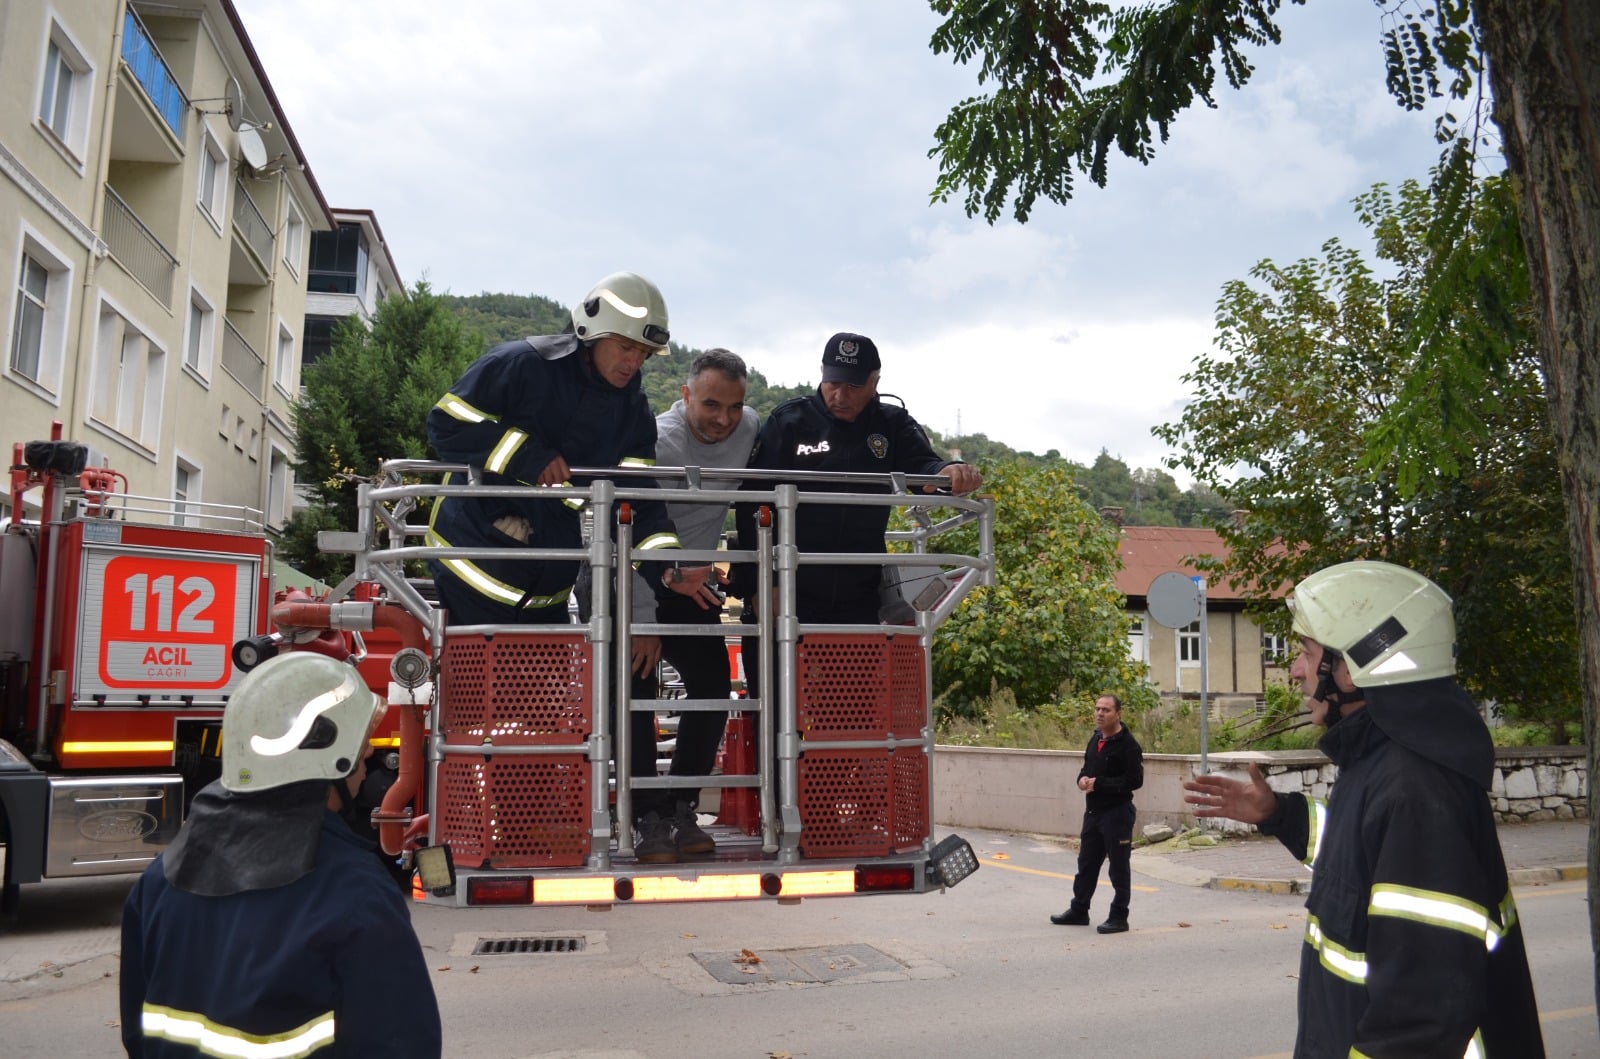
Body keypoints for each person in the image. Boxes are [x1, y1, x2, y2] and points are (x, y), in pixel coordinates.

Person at [1183, 561, 1544, 1058]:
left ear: (1355, 666)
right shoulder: (1384, 761)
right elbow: (1363, 858)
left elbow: (1421, 1018)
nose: (1295, 670)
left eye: (1307, 653)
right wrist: (1279, 814)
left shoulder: (1416, 791)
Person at [425, 271, 709, 858]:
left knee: (543, 721)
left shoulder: (631, 409)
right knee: (484, 718)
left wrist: (668, 568)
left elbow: (637, 500)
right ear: (589, 332)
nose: (634, 363)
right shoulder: (521, 365)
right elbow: (446, 425)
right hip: (477, 571)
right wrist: (528, 457)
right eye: (625, 347)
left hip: (548, 586)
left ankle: (528, 833)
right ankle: (477, 839)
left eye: (645, 352)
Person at [120, 652, 442, 1057]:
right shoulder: (354, 893)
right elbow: (399, 1043)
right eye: (361, 743)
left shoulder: (162, 877)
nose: (366, 757)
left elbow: (138, 1034)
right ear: (327, 755)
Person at [730, 332, 982, 625]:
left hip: (862, 594)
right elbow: (752, 505)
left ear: (875, 382)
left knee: (858, 670)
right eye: (833, 383)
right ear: (822, 374)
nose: (840, 395)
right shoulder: (789, 422)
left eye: (854, 385)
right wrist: (761, 584)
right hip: (788, 587)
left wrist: (948, 472)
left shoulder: (893, 424)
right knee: (776, 671)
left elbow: (924, 468)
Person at [622, 349, 760, 862]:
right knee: (635, 686)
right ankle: (645, 818)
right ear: (684, 395)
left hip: (693, 585)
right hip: (631, 577)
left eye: (734, 407)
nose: (724, 419)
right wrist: (640, 619)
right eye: (710, 405)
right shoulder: (655, 443)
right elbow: (620, 530)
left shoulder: (749, 429)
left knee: (712, 686)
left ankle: (681, 807)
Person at [1051, 694, 1143, 933]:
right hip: (1093, 813)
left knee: (1118, 868)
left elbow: (1134, 780)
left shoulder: (1128, 745)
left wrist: (1099, 784)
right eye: (1098, 709)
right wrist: (1081, 780)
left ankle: (1119, 917)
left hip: (1117, 814)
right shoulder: (1095, 739)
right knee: (1087, 864)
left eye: (1106, 710)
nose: (1100, 713)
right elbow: (1086, 768)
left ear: (1118, 714)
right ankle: (1079, 910)